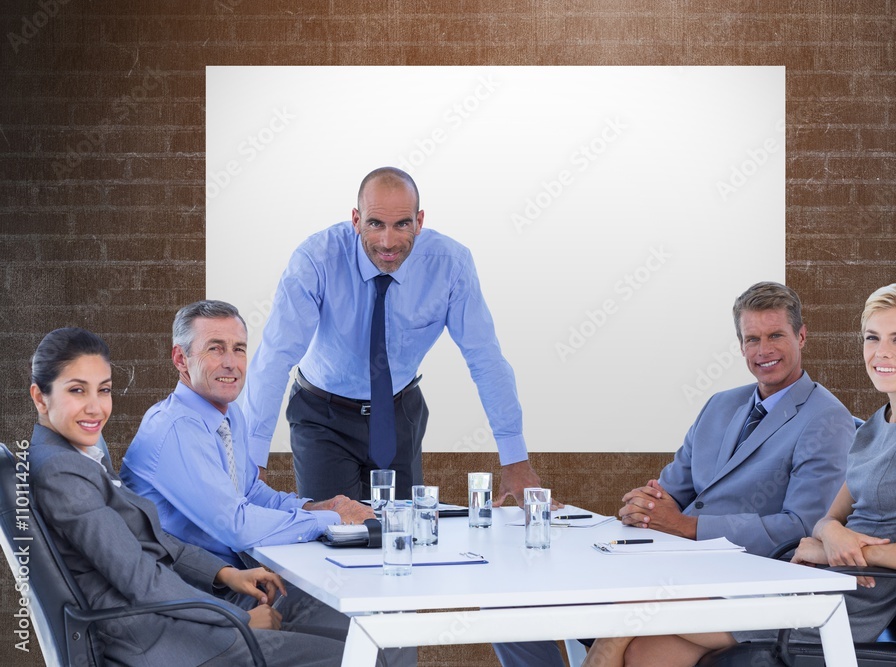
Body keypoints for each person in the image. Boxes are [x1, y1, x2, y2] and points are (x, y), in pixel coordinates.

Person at [588, 283, 896, 666]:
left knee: (636, 609)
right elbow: (825, 520)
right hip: (812, 576)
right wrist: (830, 534)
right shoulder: (874, 426)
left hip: (845, 599)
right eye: (873, 338)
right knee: (645, 652)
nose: (882, 352)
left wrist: (837, 549)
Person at [494, 281, 855, 667]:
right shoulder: (720, 405)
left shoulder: (827, 419)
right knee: (513, 604)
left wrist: (686, 527)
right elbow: (671, 489)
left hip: (752, 580)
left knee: (630, 649)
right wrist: (645, 505)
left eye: (775, 336)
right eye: (752, 339)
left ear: (801, 336)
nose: (763, 350)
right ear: (740, 346)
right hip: (673, 566)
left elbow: (800, 526)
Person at [27, 327, 346, 666]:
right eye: (77, 390)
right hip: (158, 641)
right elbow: (141, 579)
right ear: (39, 397)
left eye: (103, 390)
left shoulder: (78, 452)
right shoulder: (61, 472)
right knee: (352, 656)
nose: (95, 408)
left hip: (172, 615)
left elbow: (153, 540)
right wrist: (238, 620)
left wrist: (226, 574)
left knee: (339, 620)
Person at [120, 301, 415, 666]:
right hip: (203, 602)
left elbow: (252, 492)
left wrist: (315, 507)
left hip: (245, 583)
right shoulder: (176, 427)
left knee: (390, 632)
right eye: (215, 348)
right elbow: (238, 525)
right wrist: (334, 520)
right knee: (375, 647)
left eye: (239, 349)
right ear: (181, 359)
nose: (231, 362)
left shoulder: (229, 417)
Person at [241, 166, 546, 505]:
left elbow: (485, 359)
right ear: (356, 220)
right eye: (375, 224)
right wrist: (252, 460)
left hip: (399, 415)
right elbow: (275, 357)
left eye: (402, 224)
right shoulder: (315, 260)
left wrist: (515, 460)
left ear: (419, 221)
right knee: (333, 533)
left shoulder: (451, 265)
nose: (388, 242)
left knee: (404, 535)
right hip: (323, 416)